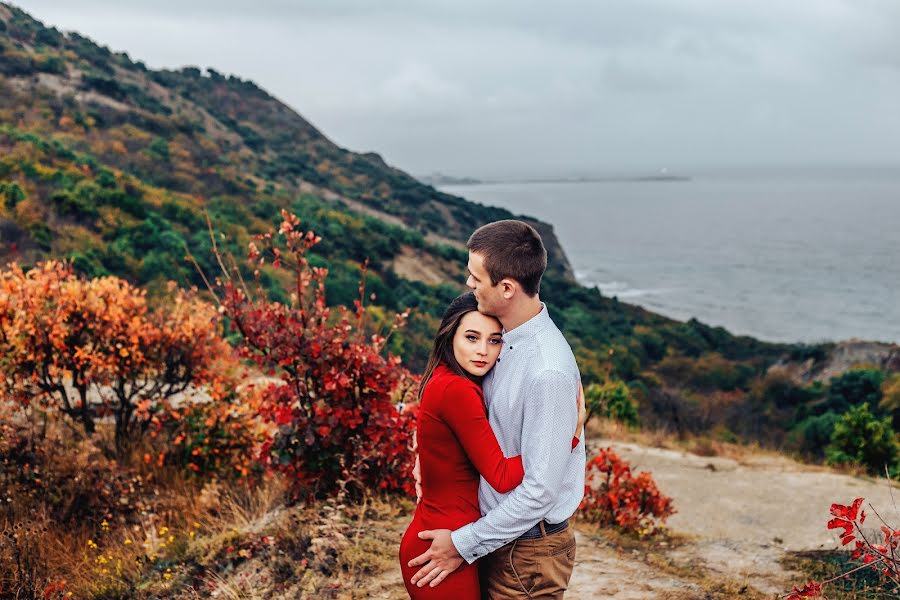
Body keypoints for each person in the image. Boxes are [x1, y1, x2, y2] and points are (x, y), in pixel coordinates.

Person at [407, 220, 586, 599]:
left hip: (525, 550)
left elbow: (540, 490)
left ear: (506, 288)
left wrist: (463, 542)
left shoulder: (546, 371)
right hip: (493, 536)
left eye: (476, 277)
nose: (469, 284)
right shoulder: (501, 341)